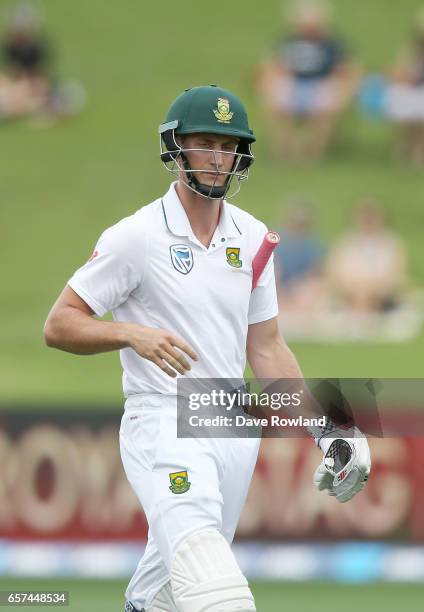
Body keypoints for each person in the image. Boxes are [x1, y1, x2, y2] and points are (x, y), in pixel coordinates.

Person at [43, 85, 370, 612]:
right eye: (205, 143)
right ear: (176, 148)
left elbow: (267, 349)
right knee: (220, 597)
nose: (219, 158)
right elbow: (60, 323)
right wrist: (130, 333)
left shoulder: (254, 237)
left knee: (166, 596)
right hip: (164, 424)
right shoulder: (137, 236)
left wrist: (326, 430)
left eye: (229, 145)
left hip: (231, 430)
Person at [255, 0, 360, 160]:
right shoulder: (288, 41)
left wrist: (343, 89)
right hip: (293, 83)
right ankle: (285, 147)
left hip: (322, 84)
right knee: (278, 97)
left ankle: (311, 150)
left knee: (325, 102)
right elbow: (273, 65)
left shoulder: (333, 44)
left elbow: (346, 69)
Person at [326, 199, 407, 313]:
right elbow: (334, 270)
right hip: (350, 289)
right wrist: (353, 286)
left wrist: (376, 287)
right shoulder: (345, 241)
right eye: (365, 218)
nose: (368, 222)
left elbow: (397, 273)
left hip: (380, 291)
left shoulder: (392, 243)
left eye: (372, 218)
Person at [385, 6, 424, 165]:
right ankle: (403, 147)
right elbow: (397, 72)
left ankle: (420, 149)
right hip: (410, 89)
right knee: (402, 100)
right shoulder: (410, 50)